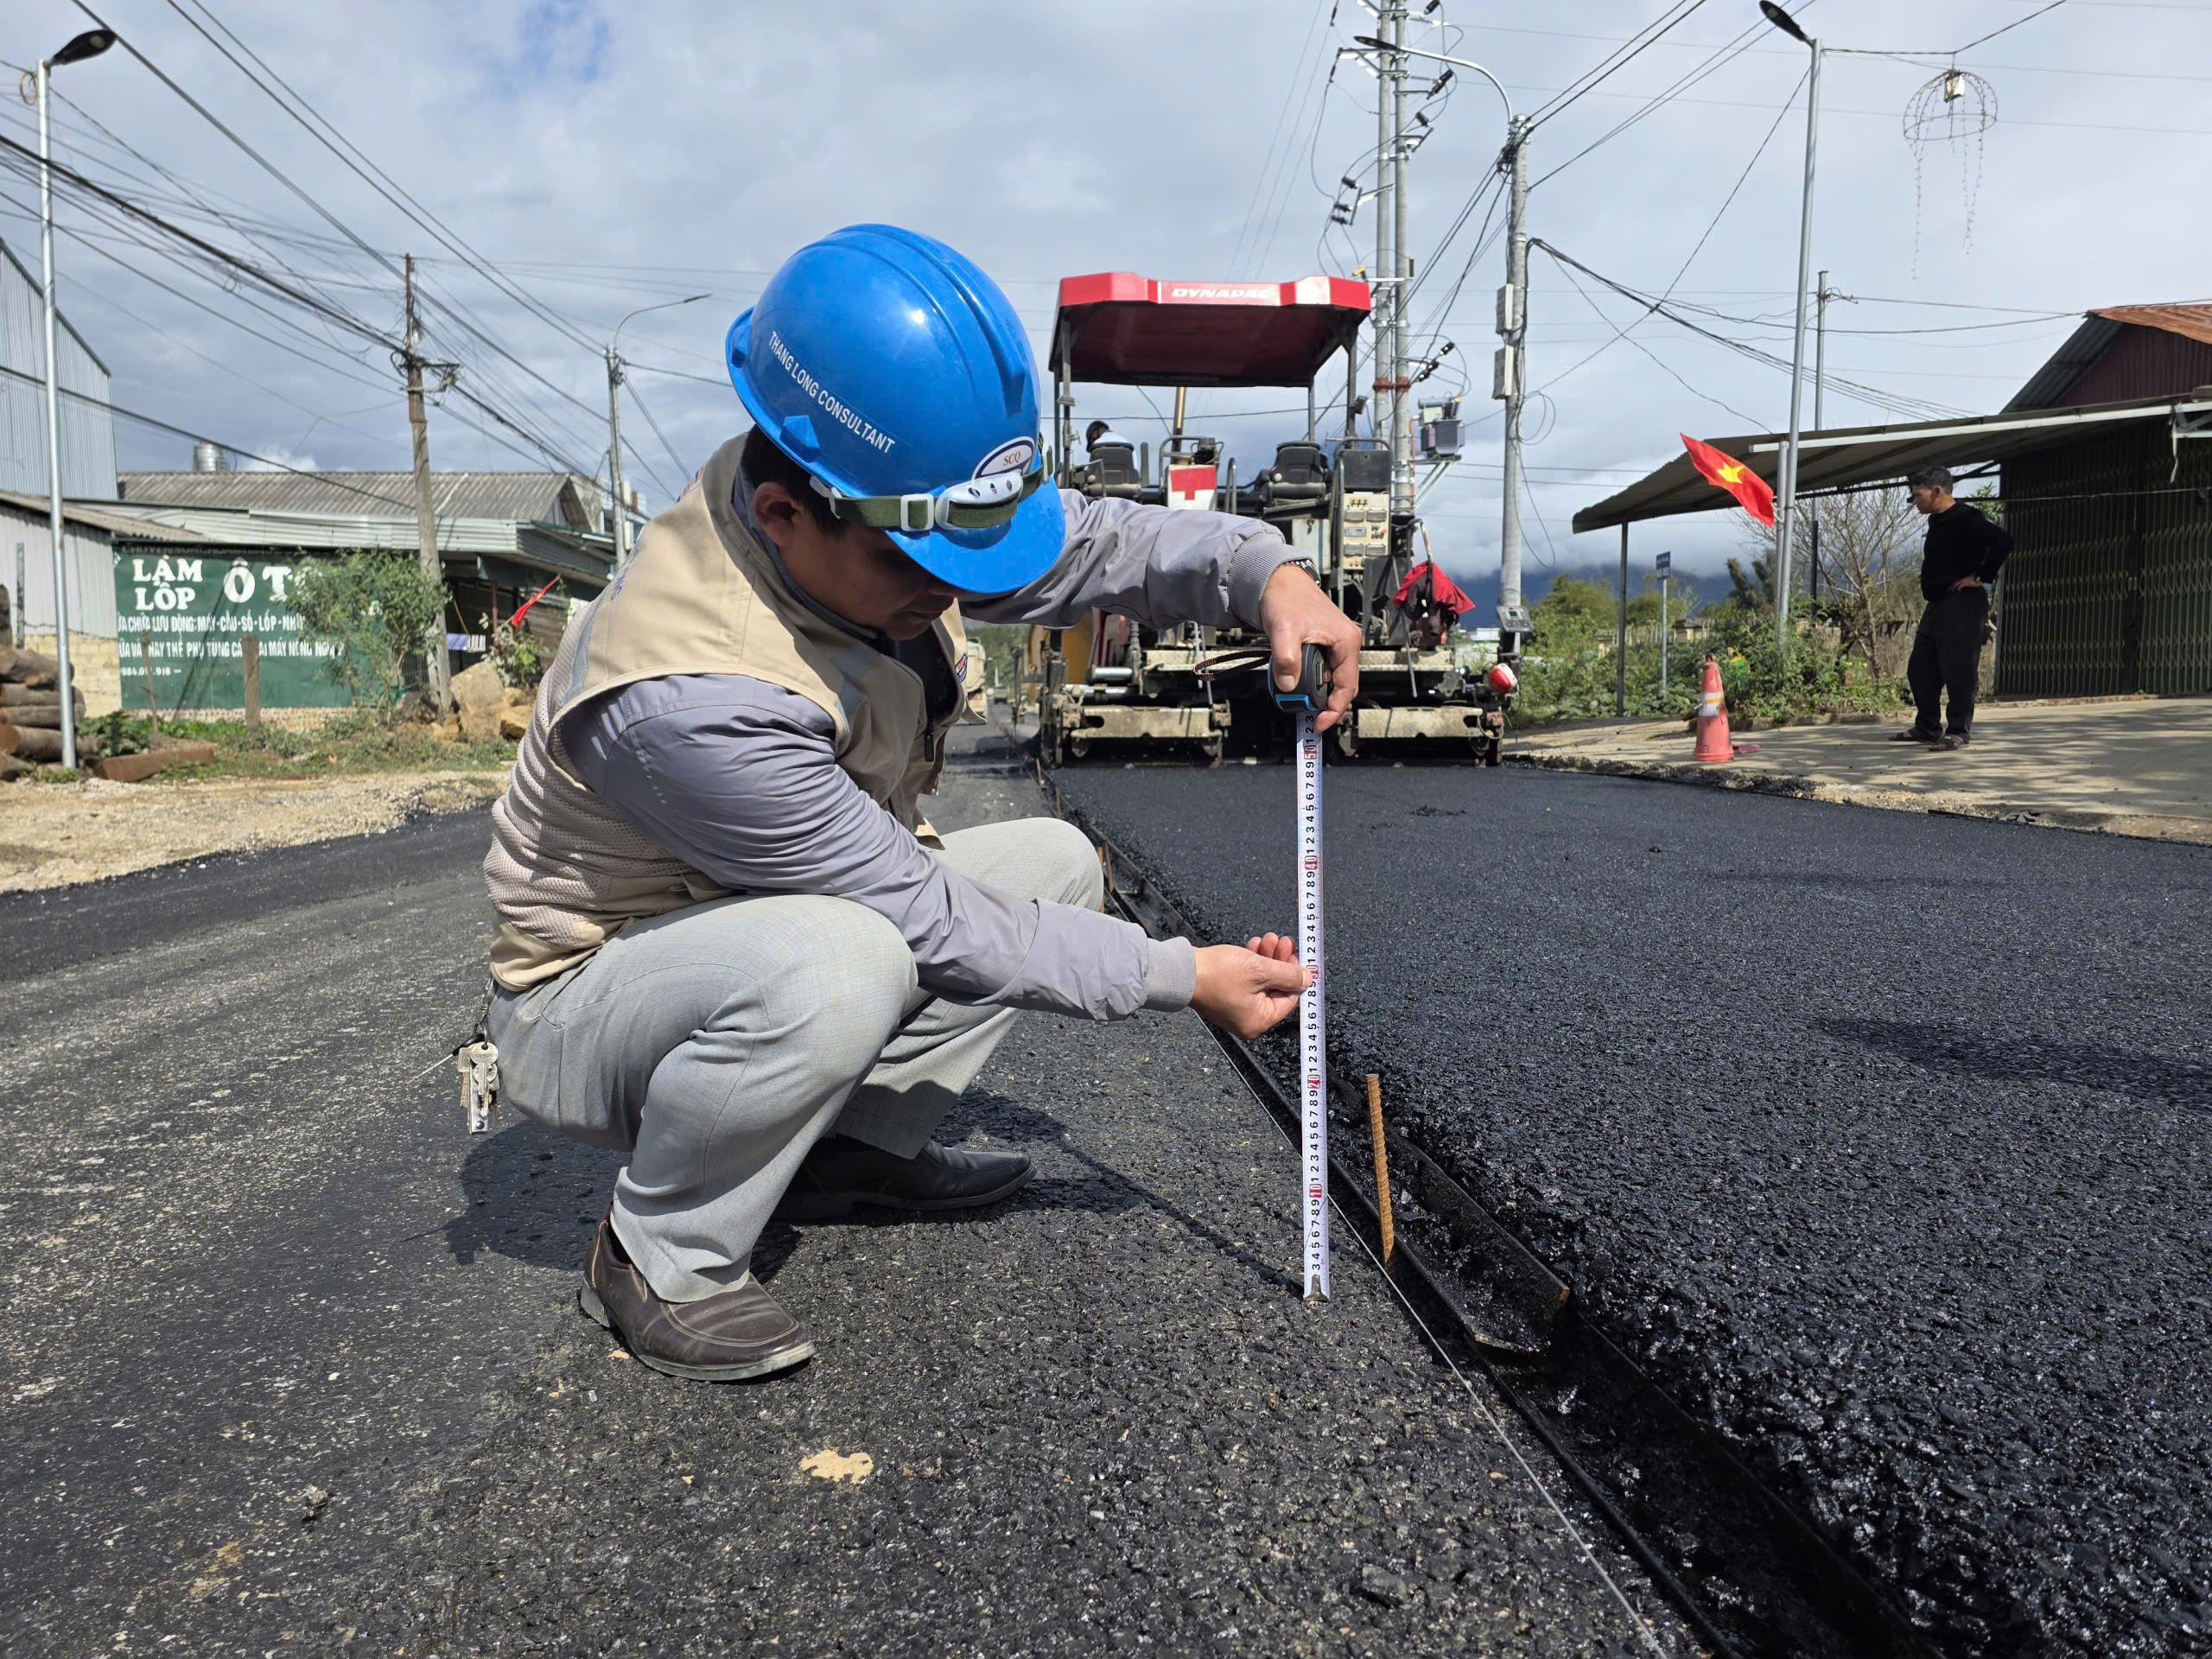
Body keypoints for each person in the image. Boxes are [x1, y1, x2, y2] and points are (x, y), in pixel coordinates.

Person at [479, 225, 1361, 1382]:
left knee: (1052, 861)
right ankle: (660, 1256)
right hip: (593, 992)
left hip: (748, 921)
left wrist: (1267, 573)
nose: (958, 591)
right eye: (927, 566)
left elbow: (1097, 543)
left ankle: (844, 1155)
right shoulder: (692, 696)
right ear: (792, 511)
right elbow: (924, 918)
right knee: (850, 959)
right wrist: (1180, 976)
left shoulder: (883, 516)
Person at [1896, 464, 2011, 751]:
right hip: (1937, 604)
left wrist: (1981, 577)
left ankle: (1958, 730)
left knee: (1959, 669)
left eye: (1919, 496)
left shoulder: (1966, 518)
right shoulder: (1937, 520)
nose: (1916, 502)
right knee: (1920, 667)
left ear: (1937, 492)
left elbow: (2003, 541)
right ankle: (1927, 725)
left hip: (1963, 605)